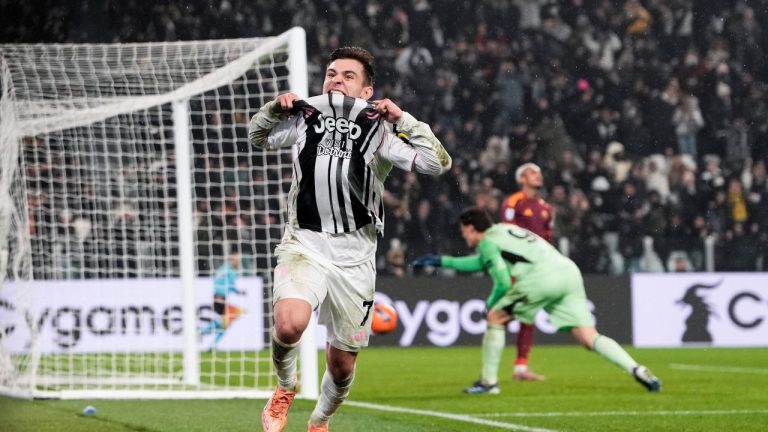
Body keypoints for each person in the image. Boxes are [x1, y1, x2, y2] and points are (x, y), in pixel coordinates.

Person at [248, 46, 451, 432]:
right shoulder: (305, 117)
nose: (335, 80)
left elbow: (437, 164)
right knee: (290, 325)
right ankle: (286, 387)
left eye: (347, 76)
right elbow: (258, 136)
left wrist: (403, 117)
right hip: (305, 243)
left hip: (355, 259)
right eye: (331, 73)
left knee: (342, 366)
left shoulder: (382, 131)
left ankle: (319, 421)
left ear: (366, 91)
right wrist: (275, 107)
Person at [413, 208, 661, 394]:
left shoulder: (487, 241)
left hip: (541, 279)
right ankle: (637, 369)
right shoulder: (503, 230)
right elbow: (480, 262)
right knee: (589, 337)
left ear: (470, 228)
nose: (463, 236)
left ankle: (489, 382)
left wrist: (490, 303)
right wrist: (442, 261)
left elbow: (501, 280)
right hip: (567, 272)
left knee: (494, 318)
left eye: (462, 231)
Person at [499, 162, 552, 381]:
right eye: (532, 172)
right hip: (516, 266)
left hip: (537, 268)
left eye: (539, 172)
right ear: (522, 179)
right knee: (504, 314)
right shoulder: (513, 202)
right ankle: (492, 359)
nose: (537, 176)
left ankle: (521, 367)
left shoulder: (545, 208)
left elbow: (548, 239)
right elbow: (505, 233)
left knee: (528, 316)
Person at [199, 249, 246, 350]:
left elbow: (217, 282)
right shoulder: (230, 271)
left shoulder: (222, 268)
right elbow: (231, 286)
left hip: (217, 298)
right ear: (232, 259)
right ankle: (203, 331)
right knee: (231, 317)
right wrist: (239, 292)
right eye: (237, 259)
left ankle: (210, 341)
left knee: (225, 324)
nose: (238, 261)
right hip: (220, 299)